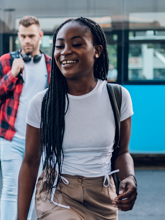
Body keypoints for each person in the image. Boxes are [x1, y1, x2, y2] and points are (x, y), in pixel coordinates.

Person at [17, 17, 137, 220]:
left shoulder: (117, 97)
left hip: (103, 197)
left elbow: (122, 152)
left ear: (97, 50)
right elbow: (30, 162)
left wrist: (129, 178)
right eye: (59, 46)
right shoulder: (43, 102)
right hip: (57, 193)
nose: (65, 52)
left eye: (77, 44)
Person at [0, 16, 51, 220]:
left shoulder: (51, 65)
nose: (27, 41)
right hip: (11, 137)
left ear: (40, 36)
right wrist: (12, 74)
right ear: (18, 37)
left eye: (31, 36)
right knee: (10, 188)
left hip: (40, 141)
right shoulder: (6, 61)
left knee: (33, 188)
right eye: (23, 36)